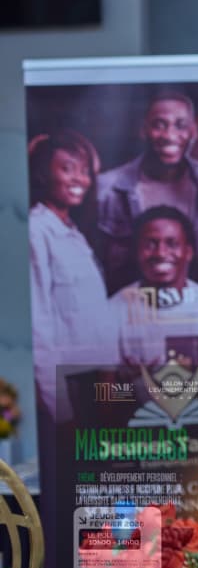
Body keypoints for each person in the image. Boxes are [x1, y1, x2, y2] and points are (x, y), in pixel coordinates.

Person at [97, 91, 198, 294]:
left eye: (180, 125)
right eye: (159, 124)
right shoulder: (107, 190)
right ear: (143, 130)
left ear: (193, 132)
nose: (169, 135)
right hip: (130, 312)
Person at [28, 130, 118, 419]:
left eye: (84, 171)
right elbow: (38, 325)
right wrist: (59, 407)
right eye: (67, 169)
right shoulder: (35, 230)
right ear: (43, 174)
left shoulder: (73, 232)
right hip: (65, 388)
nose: (79, 179)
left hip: (94, 384)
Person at [109, 205, 198, 372]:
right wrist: (128, 385)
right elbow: (108, 393)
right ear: (137, 251)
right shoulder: (113, 311)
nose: (161, 253)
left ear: (188, 252)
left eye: (172, 244)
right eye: (150, 244)